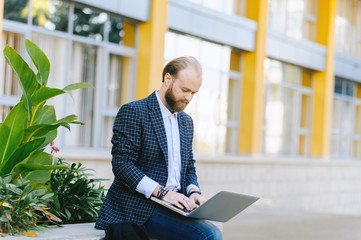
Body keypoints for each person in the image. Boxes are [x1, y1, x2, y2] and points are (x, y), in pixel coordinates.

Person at [95, 56, 222, 240]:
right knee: (209, 235)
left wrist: (193, 192)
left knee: (210, 231)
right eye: (185, 90)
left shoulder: (186, 122)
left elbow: (188, 167)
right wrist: (163, 193)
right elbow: (122, 166)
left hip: (175, 204)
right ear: (167, 79)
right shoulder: (134, 111)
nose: (188, 98)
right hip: (140, 206)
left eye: (194, 93)